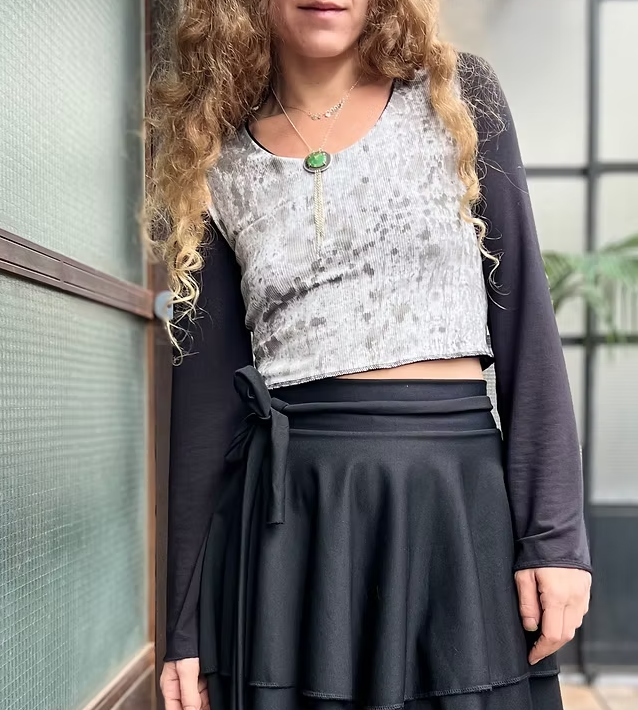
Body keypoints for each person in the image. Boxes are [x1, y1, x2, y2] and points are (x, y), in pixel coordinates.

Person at [146, 0, 592, 709]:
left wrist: (555, 538)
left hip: (453, 507)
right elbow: (203, 407)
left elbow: (527, 326)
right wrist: (184, 626)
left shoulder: (457, 97)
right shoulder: (214, 156)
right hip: (293, 527)